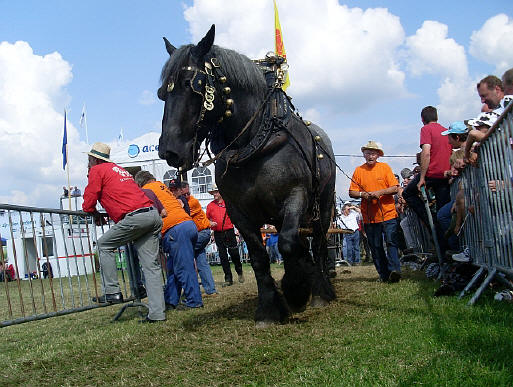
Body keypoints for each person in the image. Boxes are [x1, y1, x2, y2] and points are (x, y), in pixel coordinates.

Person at [82, 142, 165, 323]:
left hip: (135, 217)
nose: (87, 162)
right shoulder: (119, 170)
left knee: (104, 245)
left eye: (88, 159)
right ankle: (158, 314)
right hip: (152, 215)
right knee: (151, 267)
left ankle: (112, 292)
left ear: (95, 159)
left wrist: (92, 211)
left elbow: (89, 198)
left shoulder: (97, 170)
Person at [134, 171, 203, 310]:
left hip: (175, 229)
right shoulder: (161, 186)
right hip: (188, 225)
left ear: (140, 183)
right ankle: (170, 300)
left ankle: (194, 302)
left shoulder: (146, 190)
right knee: (173, 266)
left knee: (184, 267)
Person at [348, 141, 401, 282]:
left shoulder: (385, 168)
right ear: (364, 154)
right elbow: (352, 192)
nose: (370, 155)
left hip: (388, 213)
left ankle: (394, 270)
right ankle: (383, 275)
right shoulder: (359, 171)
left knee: (391, 242)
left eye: (373, 153)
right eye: (368, 153)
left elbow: (395, 188)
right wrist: (363, 195)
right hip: (369, 217)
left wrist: (379, 193)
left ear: (378, 155)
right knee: (376, 246)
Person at [402, 106, 452, 253]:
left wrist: (422, 177)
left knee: (407, 193)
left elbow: (426, 152)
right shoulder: (445, 130)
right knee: (444, 213)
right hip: (445, 175)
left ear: (422, 119)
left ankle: (431, 220)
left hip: (432, 173)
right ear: (437, 116)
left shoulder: (426, 130)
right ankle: (446, 249)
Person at [181, 182, 217, 296]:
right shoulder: (183, 202)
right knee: (201, 260)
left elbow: (182, 215)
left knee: (185, 257)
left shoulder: (192, 202)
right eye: (184, 194)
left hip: (202, 233)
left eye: (188, 193)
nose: (187, 196)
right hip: (198, 233)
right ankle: (210, 290)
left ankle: (191, 291)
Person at [206, 184, 244, 287]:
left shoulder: (228, 204)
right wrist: (210, 223)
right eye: (213, 192)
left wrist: (238, 229)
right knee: (223, 256)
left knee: (234, 253)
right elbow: (206, 219)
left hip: (229, 231)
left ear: (221, 193)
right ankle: (228, 278)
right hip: (218, 233)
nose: (214, 194)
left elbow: (235, 217)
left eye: (216, 192)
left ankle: (239, 271)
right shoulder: (210, 206)